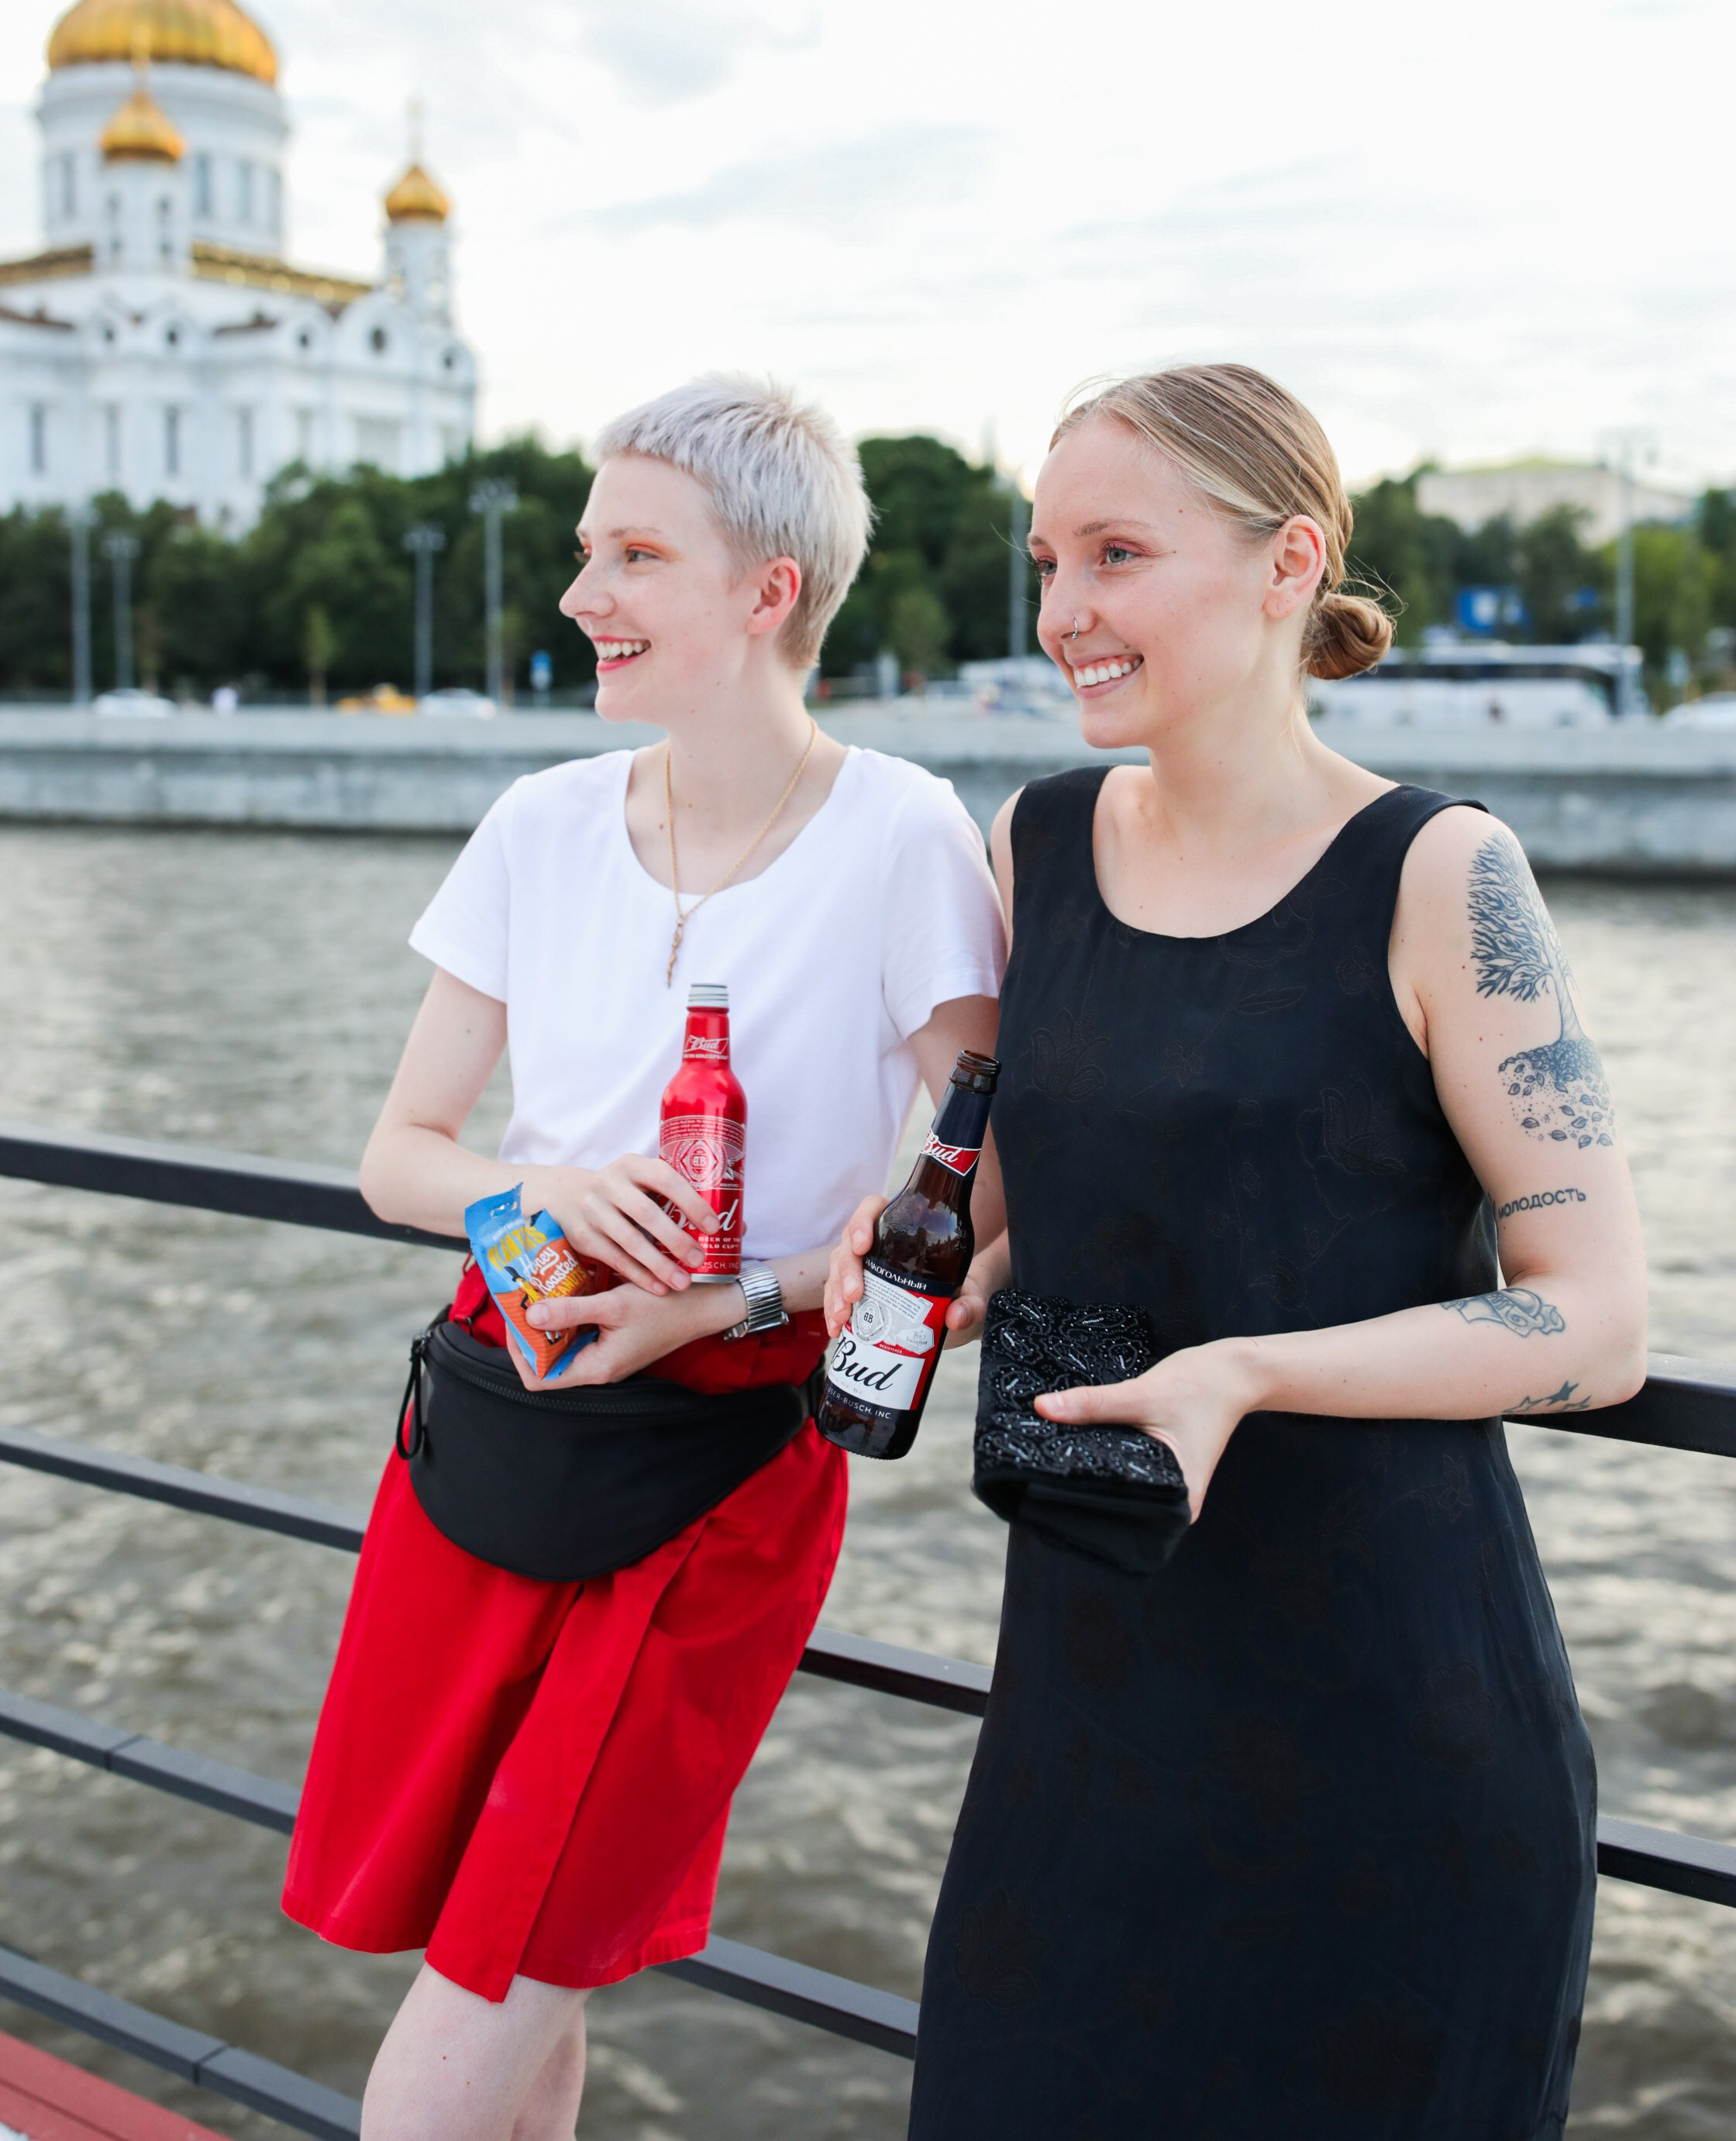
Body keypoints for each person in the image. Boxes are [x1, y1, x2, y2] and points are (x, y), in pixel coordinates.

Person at [828, 364, 1648, 2139]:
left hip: (1392, 1743)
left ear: (1289, 563)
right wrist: (927, 1257)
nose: (1063, 611)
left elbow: (1596, 1326)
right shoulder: (1034, 844)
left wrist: (1249, 1374)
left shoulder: (1442, 873)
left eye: (1115, 555)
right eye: (1047, 561)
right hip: (1083, 1713)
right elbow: (1017, 1180)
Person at [284, 374, 1007, 2141]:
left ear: (768, 590)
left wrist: (733, 1295)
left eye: (631, 555)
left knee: (511, 1957)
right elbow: (401, 1157)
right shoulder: (538, 823)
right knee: (520, 1961)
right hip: (505, 1397)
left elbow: (987, 1203)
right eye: (585, 550)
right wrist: (534, 1192)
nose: (578, 593)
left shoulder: (903, 834)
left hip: (726, 1466)